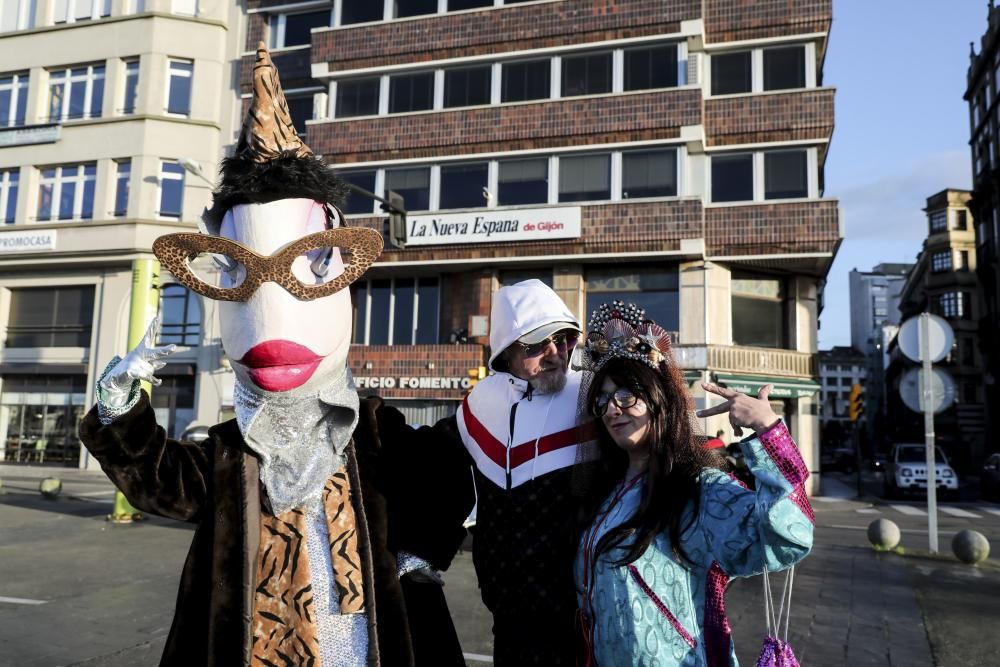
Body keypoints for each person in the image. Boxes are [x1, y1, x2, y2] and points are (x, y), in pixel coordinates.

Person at [78, 44, 473, 667]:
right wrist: (119, 406)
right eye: (236, 273)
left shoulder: (373, 431)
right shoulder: (234, 447)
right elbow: (162, 483)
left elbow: (449, 469)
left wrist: (422, 551)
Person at [575, 301, 814, 666]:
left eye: (626, 395)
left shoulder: (697, 489)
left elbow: (788, 536)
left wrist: (767, 429)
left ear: (661, 401)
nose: (612, 408)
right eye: (604, 399)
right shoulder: (605, 490)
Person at [455, 279, 598, 665]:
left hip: (581, 618)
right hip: (507, 617)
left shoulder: (597, 397)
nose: (555, 353)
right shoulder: (478, 405)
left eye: (565, 338)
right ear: (505, 350)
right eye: (536, 343)